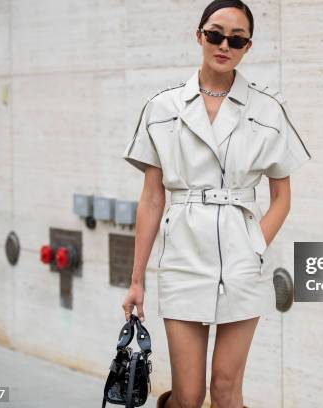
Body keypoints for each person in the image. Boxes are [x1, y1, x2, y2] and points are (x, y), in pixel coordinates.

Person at [121, 0, 311, 407]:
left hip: (243, 259)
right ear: (199, 35)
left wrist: (253, 245)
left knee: (225, 390)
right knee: (188, 397)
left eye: (236, 39)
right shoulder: (162, 107)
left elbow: (282, 198)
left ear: (247, 47)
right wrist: (137, 279)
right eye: (215, 34)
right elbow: (153, 197)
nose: (225, 44)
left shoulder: (269, 109)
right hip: (183, 256)